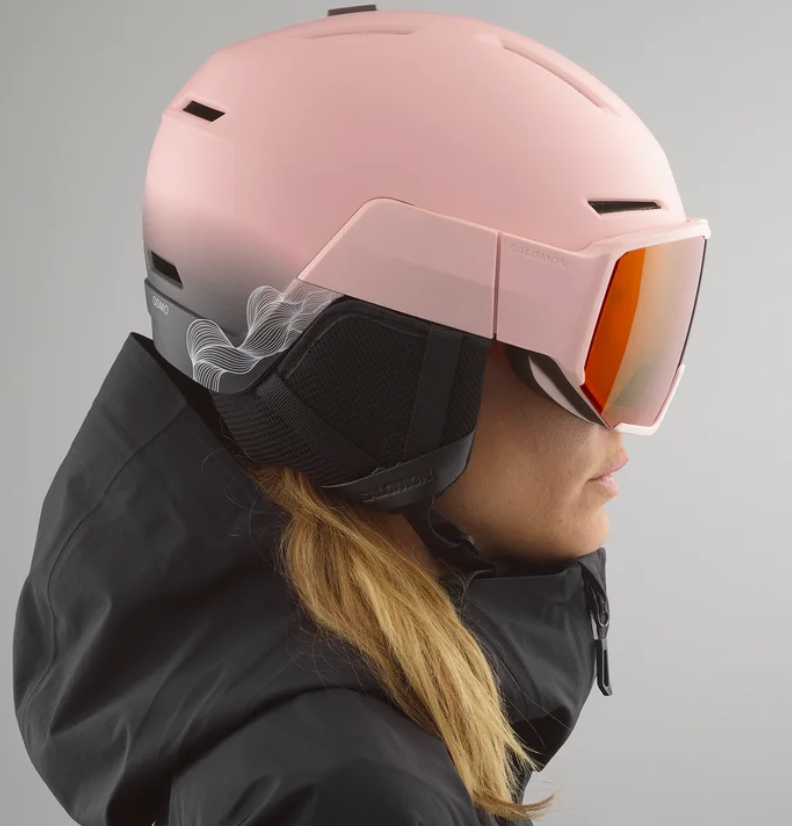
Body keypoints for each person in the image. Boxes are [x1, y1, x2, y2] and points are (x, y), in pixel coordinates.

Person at [12, 6, 710, 826]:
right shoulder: (349, 795)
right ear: (386, 365)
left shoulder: (293, 713)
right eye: (601, 345)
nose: (622, 420)